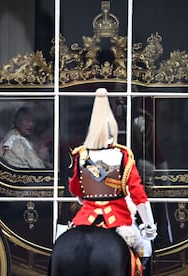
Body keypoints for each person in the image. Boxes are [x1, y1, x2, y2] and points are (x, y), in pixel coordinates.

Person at [68, 88, 157, 270]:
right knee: (145, 248)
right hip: (117, 220)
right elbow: (138, 195)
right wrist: (149, 226)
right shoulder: (123, 156)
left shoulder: (81, 155)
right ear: (113, 132)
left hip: (85, 219)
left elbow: (76, 190)